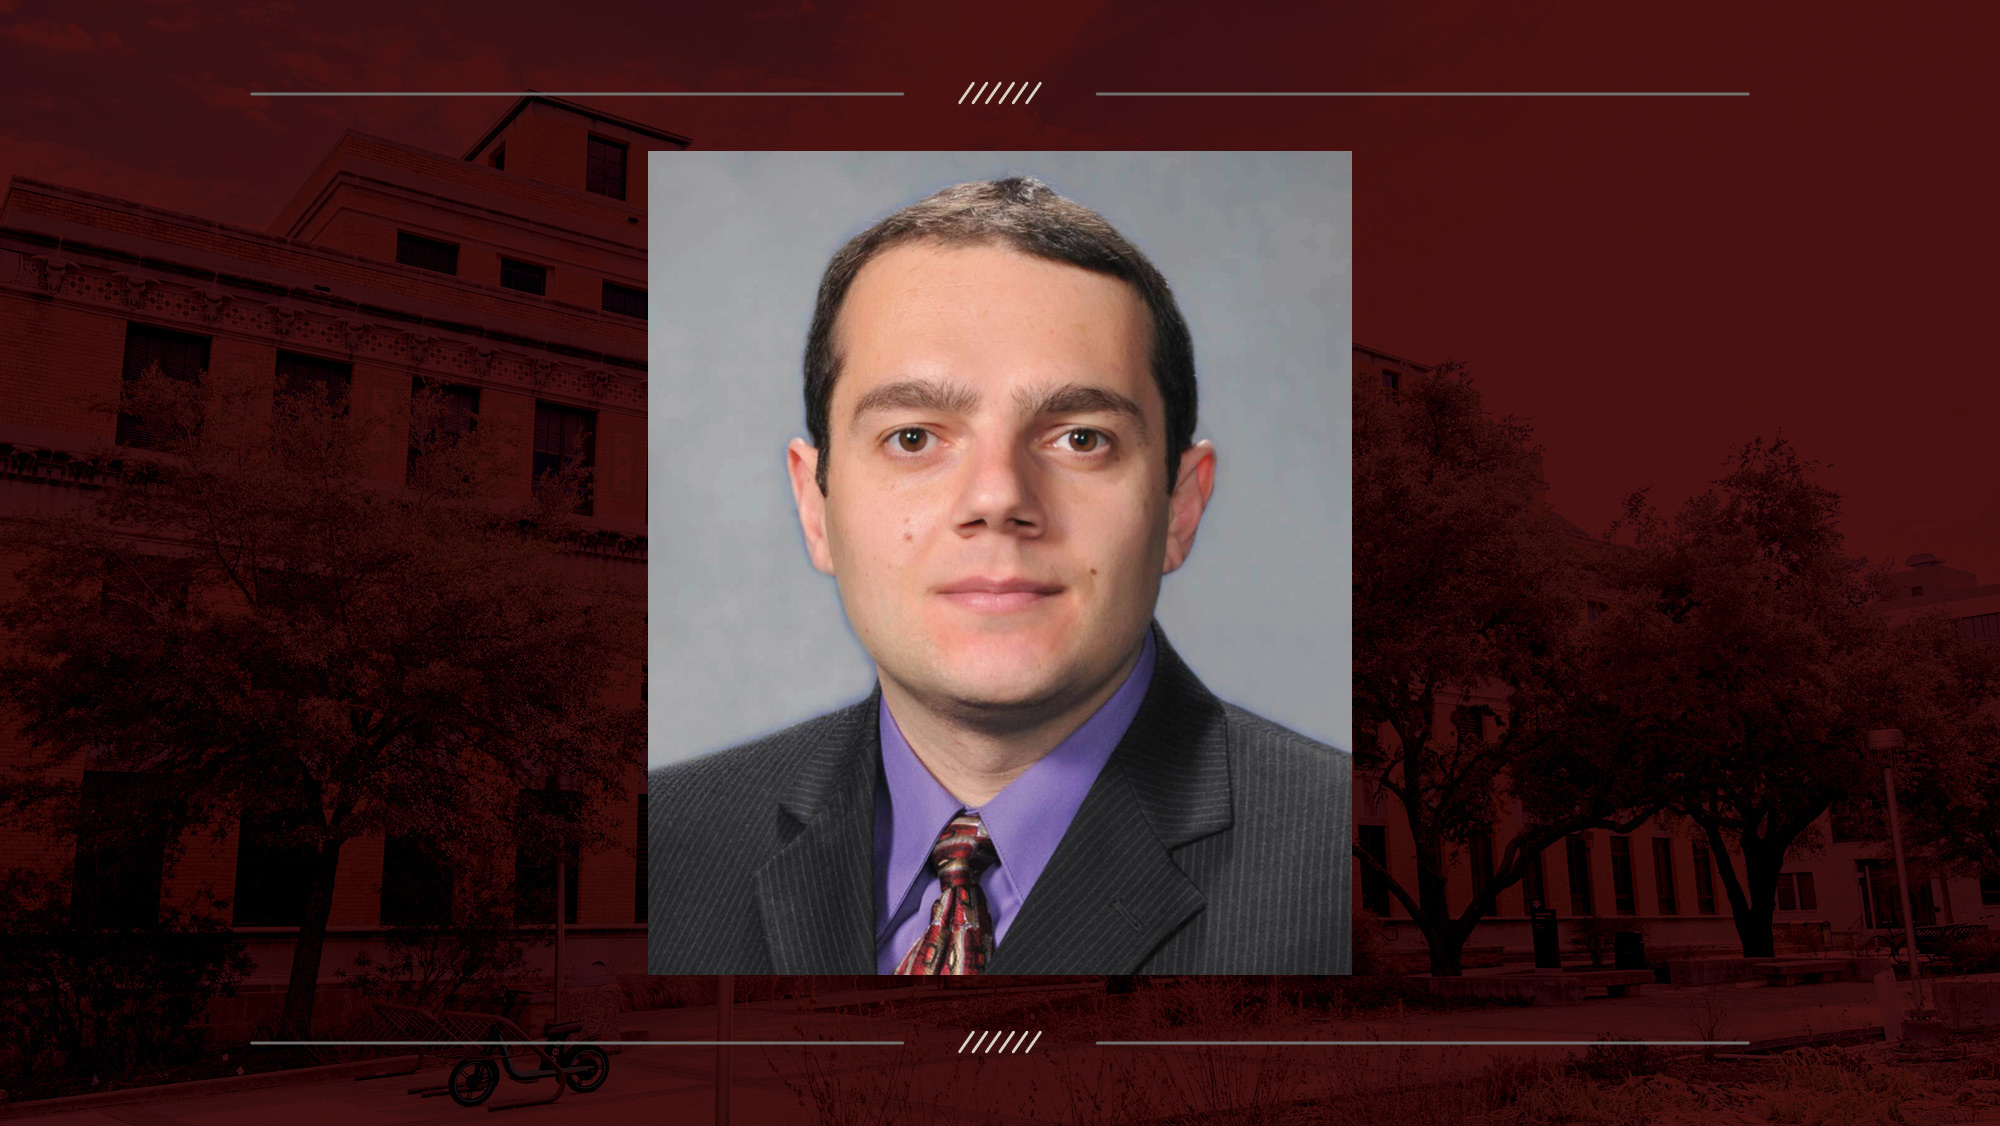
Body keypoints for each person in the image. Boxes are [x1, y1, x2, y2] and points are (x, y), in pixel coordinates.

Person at [649, 177, 1349, 974]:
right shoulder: (667, 845)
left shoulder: (1338, 867)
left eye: (1081, 438)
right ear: (816, 506)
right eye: (913, 437)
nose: (998, 498)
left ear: (1180, 509)